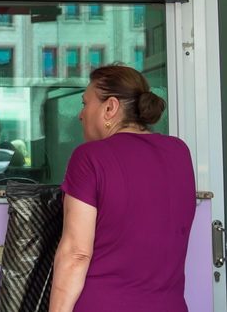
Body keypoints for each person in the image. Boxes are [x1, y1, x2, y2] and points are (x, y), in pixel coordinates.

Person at [50, 65, 196, 312]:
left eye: (85, 103)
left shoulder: (89, 157)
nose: (80, 114)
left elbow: (76, 254)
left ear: (110, 108)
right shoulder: (179, 152)